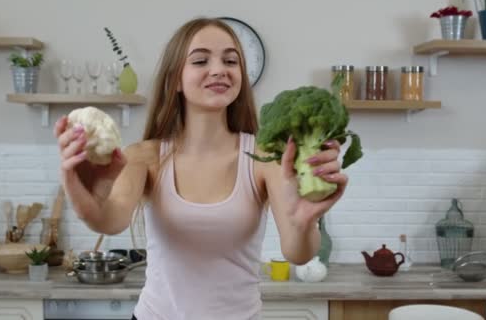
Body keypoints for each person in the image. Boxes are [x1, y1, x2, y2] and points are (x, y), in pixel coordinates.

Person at [54, 17, 348, 320]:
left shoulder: (266, 158)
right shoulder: (145, 157)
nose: (219, 69)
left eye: (230, 60)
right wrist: (80, 188)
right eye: (200, 60)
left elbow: (298, 253)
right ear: (175, 81)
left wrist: (304, 222)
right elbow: (109, 220)